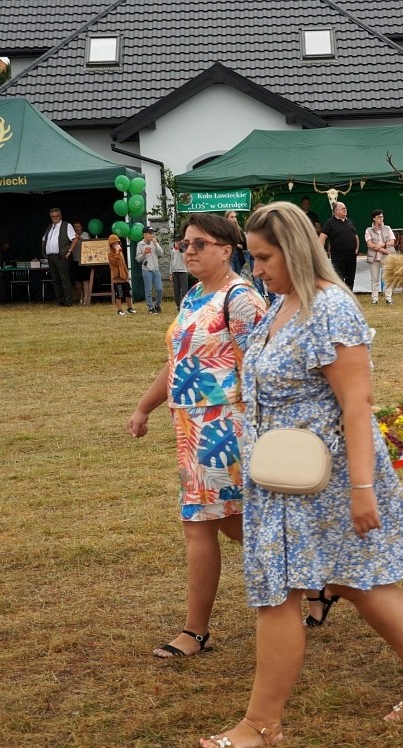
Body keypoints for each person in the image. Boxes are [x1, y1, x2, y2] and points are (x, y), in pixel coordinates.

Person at [196, 202, 403, 748]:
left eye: (264, 257)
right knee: (360, 579)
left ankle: (261, 724)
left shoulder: (330, 308)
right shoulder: (280, 304)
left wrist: (362, 491)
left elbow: (357, 405)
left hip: (324, 480)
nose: (256, 268)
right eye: (253, 257)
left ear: (293, 249)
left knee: (279, 595)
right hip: (283, 479)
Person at [128, 213, 267, 659]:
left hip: (227, 427)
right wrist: (145, 406)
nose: (188, 250)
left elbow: (262, 366)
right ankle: (319, 580)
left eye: (199, 243)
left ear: (227, 250)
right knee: (234, 523)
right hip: (191, 425)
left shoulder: (241, 299)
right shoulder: (191, 296)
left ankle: (195, 632)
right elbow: (179, 362)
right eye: (185, 244)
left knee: (200, 525)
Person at [319, 201, 359, 290]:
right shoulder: (330, 222)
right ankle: (340, 297)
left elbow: (355, 235)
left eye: (345, 208)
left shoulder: (349, 221)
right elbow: (322, 236)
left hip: (351, 255)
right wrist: (321, 250)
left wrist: (357, 248)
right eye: (343, 208)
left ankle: (349, 297)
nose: (345, 210)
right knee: (339, 278)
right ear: (336, 211)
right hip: (338, 256)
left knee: (350, 278)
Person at [41, 207, 77, 306]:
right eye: (53, 216)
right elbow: (44, 239)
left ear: (60, 216)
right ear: (51, 217)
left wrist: (69, 252)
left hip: (61, 256)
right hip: (51, 257)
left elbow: (75, 238)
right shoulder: (50, 226)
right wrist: (44, 251)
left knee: (64, 279)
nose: (55, 218)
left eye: (57, 216)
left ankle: (68, 301)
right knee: (55, 280)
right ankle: (59, 300)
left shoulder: (66, 225)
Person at [364, 209, 396, 305]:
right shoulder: (368, 230)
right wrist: (384, 250)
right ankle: (375, 298)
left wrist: (381, 246)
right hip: (374, 257)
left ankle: (388, 298)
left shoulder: (388, 228)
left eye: (382, 217)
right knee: (374, 278)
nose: (381, 219)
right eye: (379, 217)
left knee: (387, 277)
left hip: (387, 257)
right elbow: (369, 244)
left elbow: (392, 242)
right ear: (374, 218)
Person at [137, 226, 168, 313]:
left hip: (156, 269)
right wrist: (143, 253)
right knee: (148, 289)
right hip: (146, 269)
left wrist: (156, 244)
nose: (152, 235)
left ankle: (157, 304)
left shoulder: (154, 243)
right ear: (144, 234)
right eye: (150, 233)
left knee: (159, 289)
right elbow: (138, 259)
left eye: (152, 233)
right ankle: (150, 307)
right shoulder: (140, 244)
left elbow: (161, 254)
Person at [107, 235, 136, 316]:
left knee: (128, 293)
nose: (117, 245)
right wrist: (116, 254)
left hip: (124, 277)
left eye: (117, 243)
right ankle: (119, 310)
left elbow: (123, 264)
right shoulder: (110, 254)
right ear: (111, 245)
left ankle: (130, 308)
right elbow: (114, 263)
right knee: (119, 294)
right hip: (117, 278)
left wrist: (126, 274)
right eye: (114, 244)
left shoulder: (121, 253)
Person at [224, 211, 250, 276]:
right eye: (231, 217)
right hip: (229, 256)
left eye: (235, 217)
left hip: (238, 255)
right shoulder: (224, 230)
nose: (234, 219)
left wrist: (240, 245)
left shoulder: (239, 230)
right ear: (227, 218)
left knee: (237, 275)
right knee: (231, 275)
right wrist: (236, 245)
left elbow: (244, 245)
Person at [69, 221, 88, 305]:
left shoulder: (86, 234)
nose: (76, 228)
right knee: (77, 281)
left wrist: (79, 238)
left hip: (84, 261)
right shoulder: (71, 235)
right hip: (75, 260)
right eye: (75, 227)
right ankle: (82, 296)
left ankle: (86, 298)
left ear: (82, 227)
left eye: (78, 226)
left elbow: (88, 244)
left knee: (85, 280)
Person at [170, 237, 189, 310]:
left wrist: (180, 250)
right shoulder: (174, 250)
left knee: (184, 289)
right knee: (176, 290)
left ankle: (184, 304)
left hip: (183, 271)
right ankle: (178, 305)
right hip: (175, 271)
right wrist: (170, 272)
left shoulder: (184, 250)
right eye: (176, 242)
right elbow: (172, 261)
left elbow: (185, 259)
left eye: (179, 242)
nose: (177, 243)